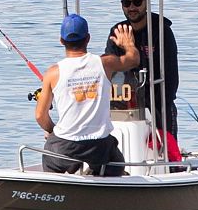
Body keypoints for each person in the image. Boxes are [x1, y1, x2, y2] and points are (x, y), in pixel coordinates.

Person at [34, 15, 138, 176]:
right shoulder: (105, 63)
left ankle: (55, 188)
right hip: (99, 146)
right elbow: (133, 60)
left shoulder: (53, 73)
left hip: (64, 145)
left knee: (50, 158)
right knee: (116, 164)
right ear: (88, 38)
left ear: (61, 40)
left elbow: (40, 115)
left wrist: (53, 131)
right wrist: (128, 44)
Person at [106, 0, 179, 138]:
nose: (132, 8)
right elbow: (110, 69)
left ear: (146, 2)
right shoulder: (118, 31)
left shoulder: (161, 30)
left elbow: (171, 73)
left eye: (137, 2)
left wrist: (160, 104)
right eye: (127, 3)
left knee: (166, 151)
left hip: (159, 103)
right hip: (127, 104)